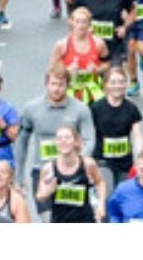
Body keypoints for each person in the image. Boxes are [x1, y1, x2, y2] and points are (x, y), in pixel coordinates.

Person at [16, 65, 95, 202]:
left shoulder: (81, 109)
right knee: (47, 218)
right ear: (46, 84)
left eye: (61, 84)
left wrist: (80, 163)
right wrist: (19, 176)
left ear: (68, 86)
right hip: (42, 170)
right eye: (53, 84)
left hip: (72, 172)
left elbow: (89, 139)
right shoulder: (31, 109)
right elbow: (21, 142)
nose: (57, 89)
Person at [35, 124, 107, 223]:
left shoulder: (87, 164)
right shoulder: (48, 168)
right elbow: (39, 196)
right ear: (56, 144)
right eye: (59, 138)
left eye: (67, 137)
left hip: (85, 220)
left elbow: (100, 183)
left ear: (76, 142)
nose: (63, 141)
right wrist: (47, 191)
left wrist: (101, 204)